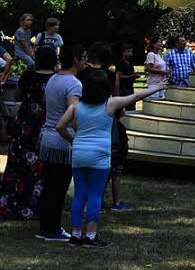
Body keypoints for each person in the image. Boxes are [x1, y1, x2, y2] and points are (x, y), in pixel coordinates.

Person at [55, 68, 166, 247]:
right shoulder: (110, 104)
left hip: (79, 153)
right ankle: (91, 237)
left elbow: (60, 126)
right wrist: (157, 87)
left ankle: (75, 235)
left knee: (79, 195)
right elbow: (136, 97)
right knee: (94, 196)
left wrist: (73, 140)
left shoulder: (76, 106)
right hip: (99, 156)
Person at [35, 44, 86, 241]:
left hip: (47, 140)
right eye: (83, 57)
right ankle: (52, 229)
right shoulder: (73, 83)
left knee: (49, 187)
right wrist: (79, 137)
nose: (85, 61)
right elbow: (72, 115)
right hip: (62, 142)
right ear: (75, 59)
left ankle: (45, 227)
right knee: (58, 188)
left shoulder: (53, 78)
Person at [0, 46, 57, 220]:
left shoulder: (28, 76)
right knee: (42, 165)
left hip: (26, 123)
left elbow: (17, 96)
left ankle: (14, 200)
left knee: (19, 162)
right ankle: (38, 203)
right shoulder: (55, 79)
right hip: (47, 123)